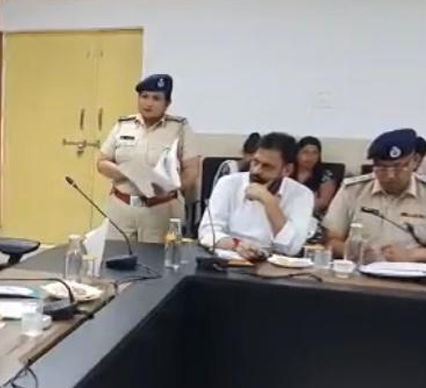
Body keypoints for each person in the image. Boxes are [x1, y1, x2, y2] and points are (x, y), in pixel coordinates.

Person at [96, 74, 200, 243]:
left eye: (156, 98)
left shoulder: (180, 128)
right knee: (114, 255)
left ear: (167, 103)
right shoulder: (124, 125)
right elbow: (102, 162)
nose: (148, 103)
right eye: (144, 96)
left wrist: (171, 186)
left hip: (162, 210)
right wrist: (127, 171)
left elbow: (192, 171)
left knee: (160, 258)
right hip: (121, 208)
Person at [198, 132, 314, 260]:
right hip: (229, 259)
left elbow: (292, 248)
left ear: (287, 170)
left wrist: (269, 201)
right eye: (255, 162)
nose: (256, 170)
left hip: (273, 265)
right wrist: (236, 245)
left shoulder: (302, 195)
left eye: (267, 166)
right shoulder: (229, 183)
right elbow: (206, 233)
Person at [324, 129, 426, 262]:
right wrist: (353, 251)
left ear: (415, 161)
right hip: (361, 270)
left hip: (414, 272)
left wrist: (411, 255)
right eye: (382, 168)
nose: (390, 176)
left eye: (398, 167)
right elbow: (331, 240)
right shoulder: (353, 190)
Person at [291, 136, 337, 216]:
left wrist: (297, 207)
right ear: (297, 154)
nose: (310, 157)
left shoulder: (325, 175)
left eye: (315, 153)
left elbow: (323, 203)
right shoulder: (287, 171)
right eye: (305, 152)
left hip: (313, 215)